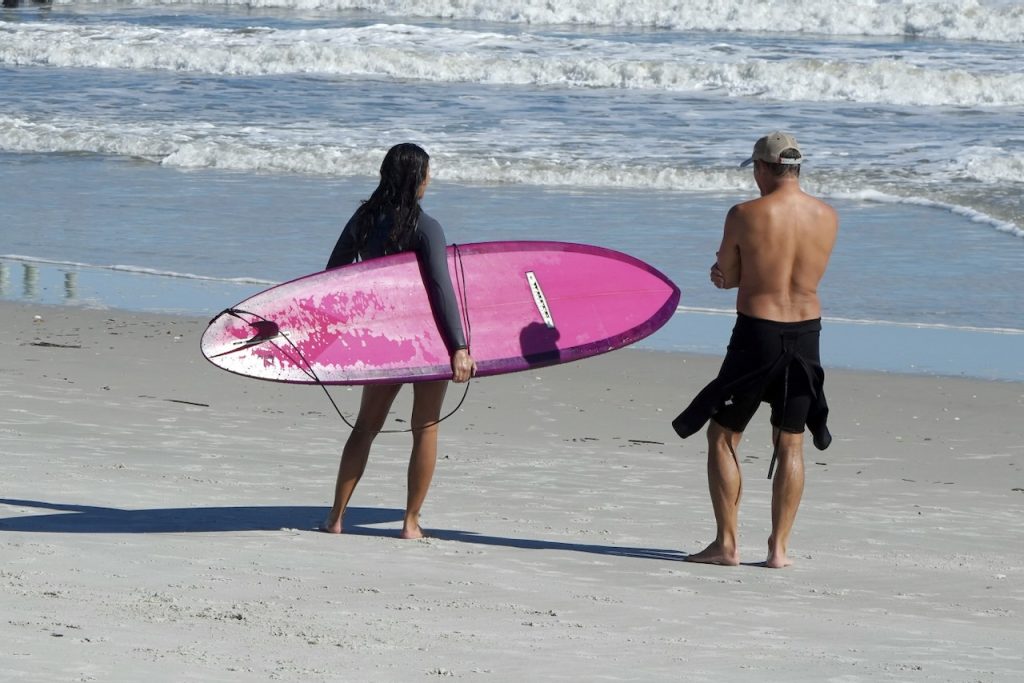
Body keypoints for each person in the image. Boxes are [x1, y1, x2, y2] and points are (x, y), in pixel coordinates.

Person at [672, 131, 838, 568]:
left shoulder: (744, 214)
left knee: (723, 434)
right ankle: (779, 550)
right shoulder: (827, 216)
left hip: (757, 334)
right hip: (807, 335)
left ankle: (726, 544)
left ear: (764, 168)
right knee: (790, 441)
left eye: (755, 171)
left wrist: (726, 274)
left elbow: (727, 275)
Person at [320, 143, 476, 539]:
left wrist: (350, 327)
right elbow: (441, 289)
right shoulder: (427, 228)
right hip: (428, 341)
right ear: (416, 179)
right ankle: (410, 523)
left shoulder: (363, 220)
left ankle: (335, 518)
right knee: (425, 427)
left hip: (384, 339)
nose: (429, 180)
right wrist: (459, 347)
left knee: (365, 427)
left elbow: (334, 274)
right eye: (427, 173)